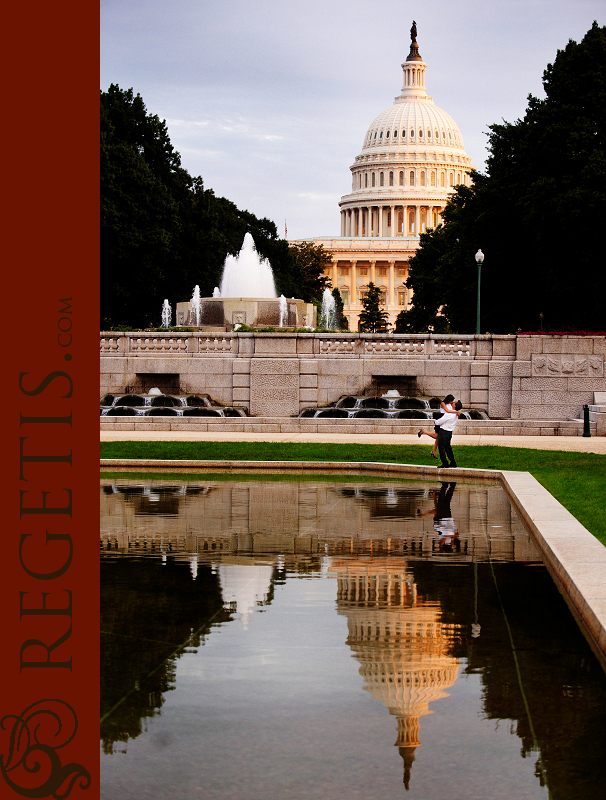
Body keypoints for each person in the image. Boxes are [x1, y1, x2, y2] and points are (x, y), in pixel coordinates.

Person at [418, 395, 461, 459]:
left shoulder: (450, 403)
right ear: (449, 400)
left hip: (445, 419)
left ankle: (433, 451)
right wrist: (457, 412)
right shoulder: (443, 403)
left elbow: (456, 404)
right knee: (436, 436)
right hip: (441, 418)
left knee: (438, 437)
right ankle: (424, 431)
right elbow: (447, 411)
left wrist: (457, 402)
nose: (452, 402)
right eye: (452, 401)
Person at [435, 399, 462, 468]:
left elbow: (439, 422)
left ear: (455, 406)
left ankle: (445, 463)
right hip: (449, 432)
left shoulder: (449, 414)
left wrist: (435, 422)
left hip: (443, 431)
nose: (452, 403)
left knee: (441, 447)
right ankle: (453, 462)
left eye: (454, 403)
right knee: (448, 448)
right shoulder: (456, 414)